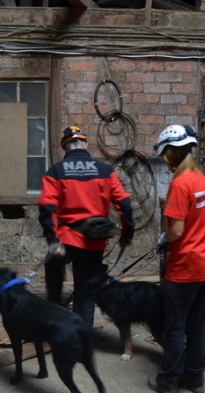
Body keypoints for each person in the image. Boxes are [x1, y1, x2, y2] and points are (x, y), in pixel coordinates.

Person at [147, 124, 205, 393]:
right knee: (196, 324)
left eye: (164, 154)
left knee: (175, 327)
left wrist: (163, 239)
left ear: (171, 152)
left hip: (187, 267)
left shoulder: (180, 184)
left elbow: (177, 230)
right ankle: (195, 379)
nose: (164, 160)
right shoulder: (201, 179)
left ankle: (168, 382)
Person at [38, 125, 135, 326]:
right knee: (85, 294)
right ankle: (83, 340)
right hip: (93, 242)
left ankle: (55, 320)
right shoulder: (105, 170)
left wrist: (52, 240)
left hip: (66, 240)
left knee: (53, 274)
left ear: (64, 148)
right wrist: (127, 233)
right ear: (86, 144)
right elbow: (124, 204)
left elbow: (47, 208)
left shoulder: (55, 171)